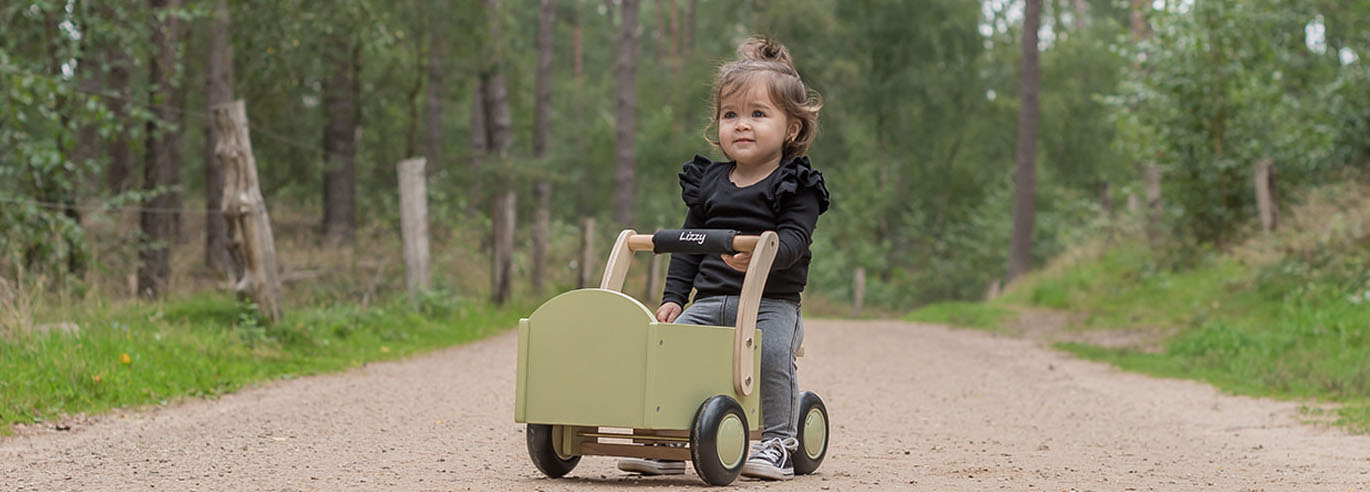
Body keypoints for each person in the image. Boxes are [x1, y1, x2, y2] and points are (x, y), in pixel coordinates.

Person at [617, 35, 829, 481]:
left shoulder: (795, 184)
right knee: (673, 351)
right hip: (710, 300)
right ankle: (671, 444)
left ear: (791, 128)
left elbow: (793, 240)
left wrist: (759, 257)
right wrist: (675, 296)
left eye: (757, 114)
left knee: (770, 354)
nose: (741, 125)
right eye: (730, 115)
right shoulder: (708, 182)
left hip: (770, 305)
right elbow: (688, 241)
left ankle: (778, 443)